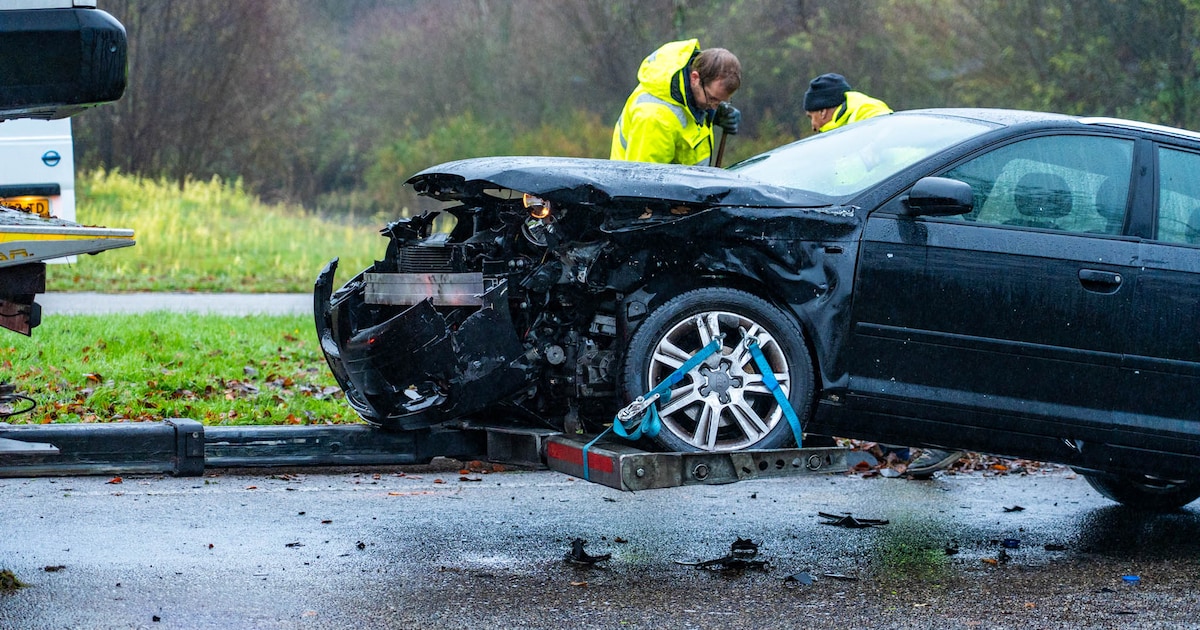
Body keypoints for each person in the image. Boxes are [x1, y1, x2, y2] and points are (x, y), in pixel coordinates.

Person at [803, 72, 962, 478]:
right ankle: (889, 444)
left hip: (889, 241)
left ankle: (901, 447)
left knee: (881, 343)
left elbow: (867, 182)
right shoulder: (851, 118)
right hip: (874, 240)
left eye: (812, 116)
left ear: (823, 109)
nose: (811, 125)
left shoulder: (868, 120)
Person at [611, 39, 741, 166]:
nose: (714, 107)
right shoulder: (655, 119)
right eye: (713, 99)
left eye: (722, 101)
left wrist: (715, 115)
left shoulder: (695, 95)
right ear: (695, 78)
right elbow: (642, 183)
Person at [802, 72, 892, 133]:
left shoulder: (866, 110)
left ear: (822, 112)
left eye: (811, 117)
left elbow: (888, 129)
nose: (813, 127)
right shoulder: (841, 125)